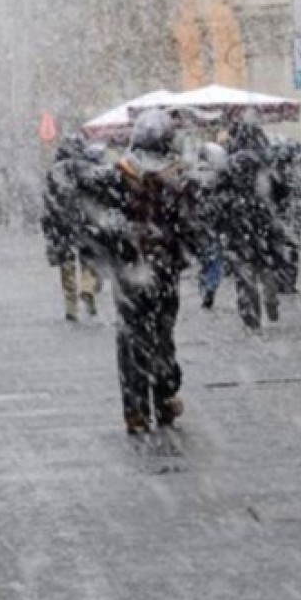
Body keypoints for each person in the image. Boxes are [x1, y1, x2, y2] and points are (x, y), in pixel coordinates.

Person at [85, 110, 200, 434]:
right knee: (162, 337)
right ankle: (163, 400)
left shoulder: (117, 176)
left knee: (131, 338)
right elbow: (190, 229)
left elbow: (101, 222)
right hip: (164, 273)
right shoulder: (180, 180)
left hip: (130, 275)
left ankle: (135, 410)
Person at [216, 122, 288, 331]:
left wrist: (224, 220)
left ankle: (251, 317)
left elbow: (218, 197)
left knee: (244, 271)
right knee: (267, 264)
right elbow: (283, 190)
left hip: (239, 225)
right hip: (265, 221)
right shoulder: (266, 162)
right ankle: (271, 298)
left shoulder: (229, 164)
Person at [41, 136, 102, 321]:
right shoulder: (87, 168)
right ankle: (87, 287)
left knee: (66, 264)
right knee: (89, 259)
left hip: (61, 223)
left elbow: (48, 200)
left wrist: (51, 222)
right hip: (85, 221)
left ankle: (71, 306)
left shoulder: (54, 172)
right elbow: (96, 195)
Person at [192, 142, 228, 310]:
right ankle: (211, 286)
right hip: (214, 221)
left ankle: (204, 286)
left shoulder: (194, 172)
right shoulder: (219, 173)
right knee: (214, 258)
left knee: (204, 258)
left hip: (199, 222)